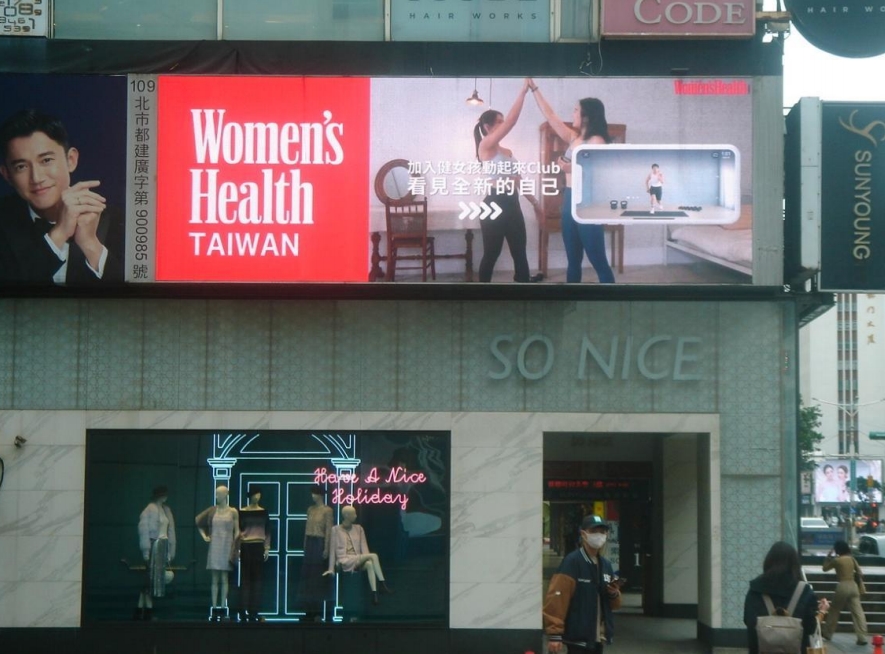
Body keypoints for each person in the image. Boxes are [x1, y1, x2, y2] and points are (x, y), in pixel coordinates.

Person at [0, 109, 124, 285]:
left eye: (46, 160)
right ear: (7, 175)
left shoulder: (116, 220)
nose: (37, 178)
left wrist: (90, 244)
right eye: (21, 166)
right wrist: (59, 233)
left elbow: (134, 294)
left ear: (71, 160)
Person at [528, 81, 615, 284]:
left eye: (576, 110)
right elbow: (551, 116)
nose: (573, 114)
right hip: (569, 200)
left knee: (598, 260)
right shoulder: (574, 138)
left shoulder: (597, 141)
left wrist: (571, 169)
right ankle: (571, 299)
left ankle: (611, 299)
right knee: (573, 260)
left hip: (587, 203)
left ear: (586, 116)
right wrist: (534, 89)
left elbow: (598, 175)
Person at [472, 79, 538, 283]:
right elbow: (511, 122)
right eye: (499, 122)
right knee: (492, 253)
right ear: (487, 127)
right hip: (494, 203)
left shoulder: (507, 152)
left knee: (520, 251)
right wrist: (523, 91)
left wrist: (535, 203)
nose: (503, 125)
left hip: (512, 203)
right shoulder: (485, 146)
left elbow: (518, 180)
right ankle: (483, 292)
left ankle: (523, 283)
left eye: (502, 121)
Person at [543, 514, 622, 653]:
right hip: (578, 638)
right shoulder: (572, 562)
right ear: (583, 534)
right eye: (594, 531)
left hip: (598, 638)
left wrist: (614, 593)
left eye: (602, 532)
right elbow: (557, 598)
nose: (598, 535)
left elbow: (614, 605)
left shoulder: (605, 565)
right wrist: (555, 635)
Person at [743, 541, 829, 654]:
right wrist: (822, 612)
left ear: (768, 562)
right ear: (794, 564)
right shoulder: (804, 591)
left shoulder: (755, 589)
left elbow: (748, 621)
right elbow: (810, 628)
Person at [324, 505, 393, 605]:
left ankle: (374, 594)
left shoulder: (359, 529)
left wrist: (366, 559)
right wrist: (331, 569)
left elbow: (364, 547)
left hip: (356, 558)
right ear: (346, 515)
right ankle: (382, 584)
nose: (356, 516)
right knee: (374, 556)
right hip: (344, 560)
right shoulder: (335, 529)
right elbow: (332, 550)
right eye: (353, 514)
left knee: (369, 564)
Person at [196, 485, 240, 622]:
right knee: (214, 578)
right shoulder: (212, 510)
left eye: (219, 494)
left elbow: (237, 530)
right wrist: (204, 536)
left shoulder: (233, 511)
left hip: (227, 545)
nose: (216, 496)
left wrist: (235, 546)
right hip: (215, 545)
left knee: (224, 578)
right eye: (216, 494)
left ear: (225, 494)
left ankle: (222, 607)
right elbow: (198, 521)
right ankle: (214, 607)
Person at [136, 485, 177, 621]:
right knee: (150, 580)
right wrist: (146, 550)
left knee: (151, 581)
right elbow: (144, 530)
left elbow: (169, 531)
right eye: (163, 494)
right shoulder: (150, 509)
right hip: (154, 545)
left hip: (162, 546)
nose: (165, 496)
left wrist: (169, 551)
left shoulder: (166, 510)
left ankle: (140, 611)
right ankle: (146, 612)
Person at [821, 540, 868, 645]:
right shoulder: (852, 559)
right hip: (853, 586)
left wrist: (828, 557)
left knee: (834, 610)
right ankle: (862, 637)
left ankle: (827, 633)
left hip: (842, 585)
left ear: (837, 549)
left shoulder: (837, 560)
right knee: (858, 612)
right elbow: (860, 573)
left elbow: (825, 568)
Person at [298, 485, 333, 621]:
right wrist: (305, 544)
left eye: (315, 493)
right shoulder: (310, 509)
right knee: (307, 577)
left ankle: (317, 611)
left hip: (319, 542)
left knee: (317, 576)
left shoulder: (327, 510)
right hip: (310, 542)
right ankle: (308, 610)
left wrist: (326, 548)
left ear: (321, 495)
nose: (313, 496)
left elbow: (328, 530)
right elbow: (307, 528)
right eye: (312, 493)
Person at [238, 485, 271, 623]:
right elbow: (238, 530)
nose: (257, 497)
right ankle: (243, 611)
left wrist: (267, 547)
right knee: (245, 580)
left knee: (257, 581)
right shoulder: (242, 512)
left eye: (258, 494)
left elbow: (268, 531)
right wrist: (238, 547)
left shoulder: (263, 512)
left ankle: (253, 611)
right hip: (246, 545)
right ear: (250, 496)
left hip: (258, 546)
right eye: (255, 494)